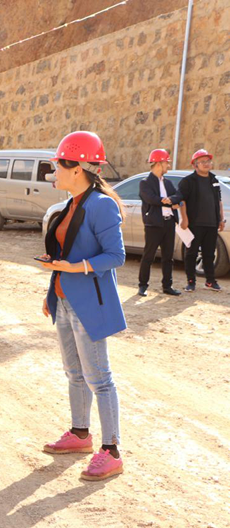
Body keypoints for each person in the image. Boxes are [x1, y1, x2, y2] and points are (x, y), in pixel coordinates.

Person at [39, 131, 126, 481]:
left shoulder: (101, 204)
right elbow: (63, 255)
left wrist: (74, 269)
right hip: (64, 299)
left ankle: (112, 451)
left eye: (58, 165)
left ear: (77, 168)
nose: (54, 171)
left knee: (99, 379)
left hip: (89, 303)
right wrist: (53, 290)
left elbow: (115, 256)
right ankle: (79, 434)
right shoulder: (69, 205)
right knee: (74, 373)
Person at [178, 149, 225, 292]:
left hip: (211, 224)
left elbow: (219, 201)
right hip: (194, 224)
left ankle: (210, 281)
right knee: (191, 253)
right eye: (202, 161)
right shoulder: (188, 181)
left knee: (209, 254)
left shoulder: (214, 180)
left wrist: (221, 219)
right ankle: (191, 281)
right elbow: (181, 201)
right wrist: (184, 219)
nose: (206, 164)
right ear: (195, 165)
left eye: (208, 161)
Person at [137, 149, 182, 296]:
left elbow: (178, 196)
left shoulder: (168, 183)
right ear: (158, 164)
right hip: (154, 225)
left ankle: (167, 286)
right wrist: (167, 202)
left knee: (168, 257)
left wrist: (173, 201)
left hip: (169, 224)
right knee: (148, 256)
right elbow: (150, 198)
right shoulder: (145, 182)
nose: (168, 166)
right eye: (166, 163)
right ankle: (143, 285)